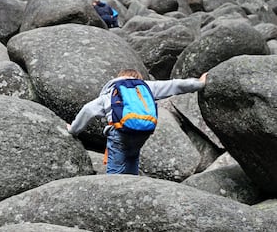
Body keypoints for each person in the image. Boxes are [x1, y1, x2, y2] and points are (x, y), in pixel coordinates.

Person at [67, 69, 208, 175]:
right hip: (143, 131)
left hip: (119, 133)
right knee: (132, 157)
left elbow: (87, 110)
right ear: (138, 78)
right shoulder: (146, 86)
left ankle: (112, 196)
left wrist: (74, 129)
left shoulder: (111, 91)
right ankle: (133, 186)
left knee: (114, 172)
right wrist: (199, 83)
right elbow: (174, 85)